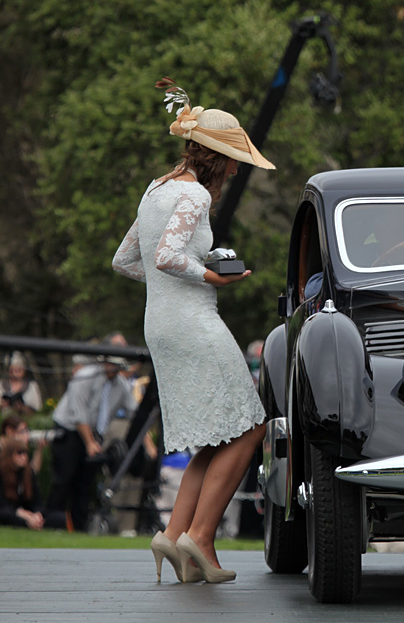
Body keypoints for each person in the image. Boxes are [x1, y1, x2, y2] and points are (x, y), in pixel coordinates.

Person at [112, 82, 273, 584]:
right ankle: (201, 538)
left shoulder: (155, 189)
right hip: (193, 321)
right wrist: (210, 275)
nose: (235, 168)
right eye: (232, 160)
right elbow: (166, 257)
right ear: (216, 157)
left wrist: (172, 279)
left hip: (160, 321)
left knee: (211, 433)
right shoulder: (195, 194)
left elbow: (126, 261)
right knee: (251, 425)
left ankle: (174, 532)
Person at [47, 353, 135, 531]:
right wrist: (89, 442)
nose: (113, 368)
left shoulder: (120, 385)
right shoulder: (86, 375)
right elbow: (78, 412)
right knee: (64, 480)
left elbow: (133, 410)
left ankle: (80, 528)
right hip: (70, 431)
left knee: (85, 484)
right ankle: (51, 523)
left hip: (94, 436)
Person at [0, 437, 66, 530]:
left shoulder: (28, 474)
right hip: (11, 511)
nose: (24, 457)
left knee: (59, 517)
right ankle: (28, 524)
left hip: (28, 512)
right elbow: (3, 504)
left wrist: (37, 514)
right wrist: (21, 513)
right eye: (19, 453)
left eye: (25, 453)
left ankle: (33, 523)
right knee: (6, 514)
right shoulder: (2, 474)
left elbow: (37, 501)